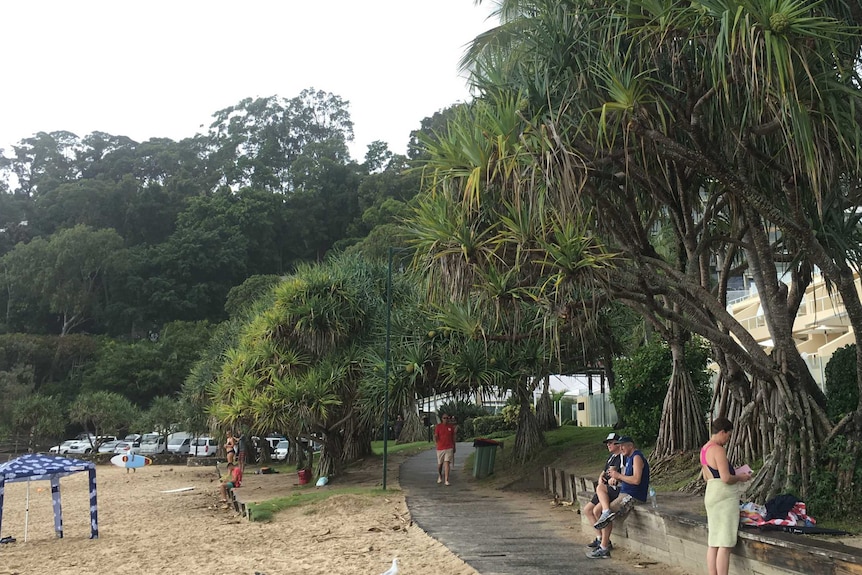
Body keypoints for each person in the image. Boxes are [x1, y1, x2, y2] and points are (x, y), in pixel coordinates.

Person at [701, 417, 751, 575]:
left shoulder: (704, 449)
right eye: (728, 436)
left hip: (711, 493)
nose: (728, 440)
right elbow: (726, 478)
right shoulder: (718, 449)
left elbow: (707, 476)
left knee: (713, 541)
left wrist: (732, 471)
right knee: (725, 542)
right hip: (724, 497)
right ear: (722, 432)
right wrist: (741, 477)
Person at [589, 435, 650, 559]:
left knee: (606, 516)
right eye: (619, 445)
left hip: (633, 495)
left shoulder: (637, 457)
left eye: (623, 445)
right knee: (600, 488)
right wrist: (616, 479)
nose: (620, 448)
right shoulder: (628, 458)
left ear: (630, 445)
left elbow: (637, 480)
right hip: (623, 491)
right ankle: (605, 514)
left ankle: (604, 548)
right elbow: (626, 478)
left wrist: (618, 476)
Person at [584, 432, 624, 550]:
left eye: (611, 443)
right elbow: (604, 471)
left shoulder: (621, 457)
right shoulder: (611, 457)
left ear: (618, 444)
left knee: (597, 511)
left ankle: (605, 543)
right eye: (607, 443)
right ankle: (599, 538)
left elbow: (620, 473)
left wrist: (613, 478)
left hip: (612, 489)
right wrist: (600, 477)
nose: (608, 445)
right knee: (587, 510)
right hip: (604, 488)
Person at [434, 413, 457, 486]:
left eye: (447, 418)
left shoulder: (451, 427)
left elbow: (453, 437)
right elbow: (436, 436)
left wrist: (454, 446)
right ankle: (440, 475)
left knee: (447, 463)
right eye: (444, 418)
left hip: (449, 447)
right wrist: (436, 440)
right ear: (442, 419)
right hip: (440, 448)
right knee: (440, 464)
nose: (446, 419)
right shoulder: (438, 427)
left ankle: (446, 480)